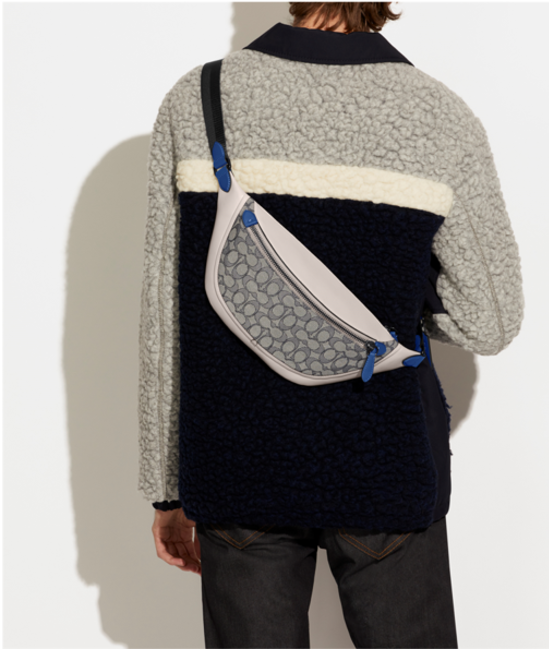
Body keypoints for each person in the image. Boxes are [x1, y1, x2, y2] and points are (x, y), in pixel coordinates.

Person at [138, 2, 524, 647]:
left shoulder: (200, 98)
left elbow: (165, 315)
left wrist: (165, 488)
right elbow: (491, 320)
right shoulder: (439, 116)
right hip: (384, 461)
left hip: (237, 463)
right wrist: (390, 289)